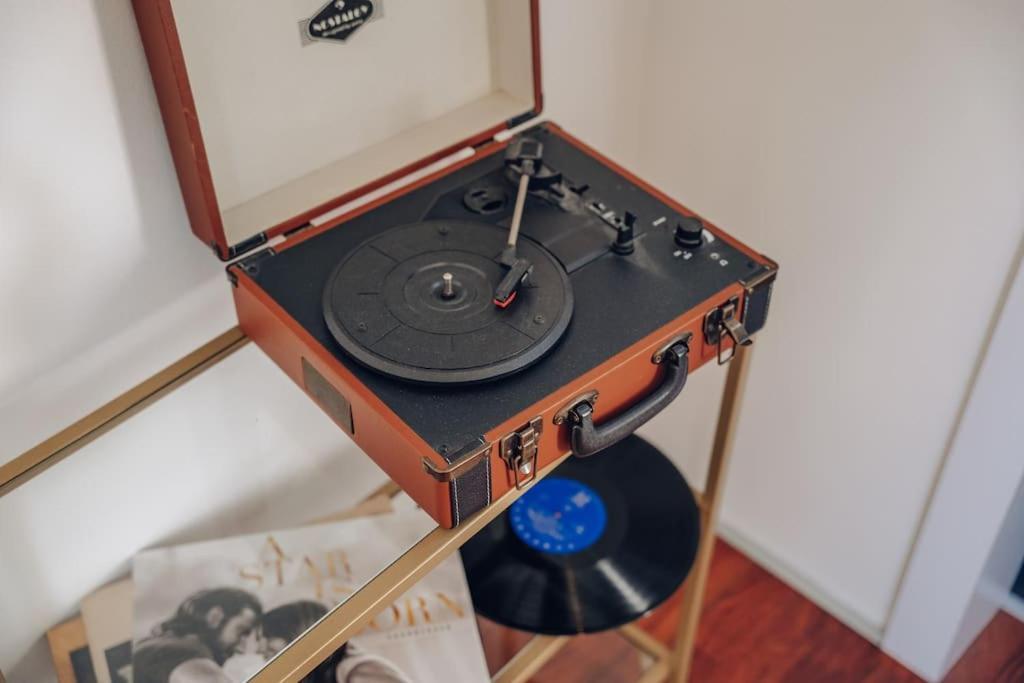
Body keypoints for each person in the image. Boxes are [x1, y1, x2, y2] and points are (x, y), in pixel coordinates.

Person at [260, 601, 414, 683]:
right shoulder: (325, 674)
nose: (261, 647)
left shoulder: (358, 669)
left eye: (269, 635)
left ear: (298, 633)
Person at [133, 588, 262, 683]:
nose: (242, 648)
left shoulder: (161, 644)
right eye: (241, 632)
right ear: (215, 617)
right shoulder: (186, 649)